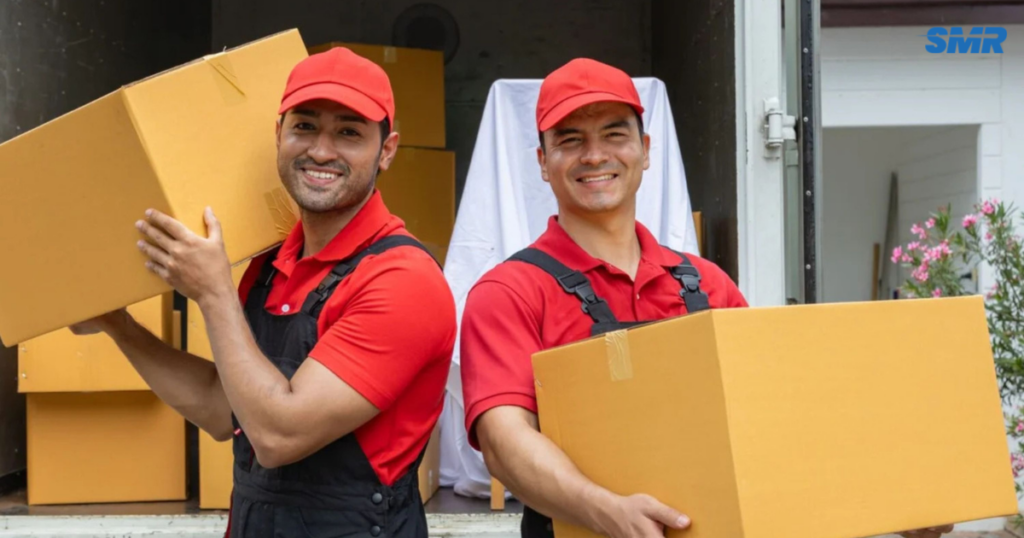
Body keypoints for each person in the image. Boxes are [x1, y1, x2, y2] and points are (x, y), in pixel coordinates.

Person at [458, 58, 955, 538]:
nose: (594, 156)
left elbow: (776, 418)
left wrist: (890, 500)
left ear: (646, 149)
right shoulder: (509, 292)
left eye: (614, 133)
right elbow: (505, 441)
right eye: (570, 141)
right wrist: (604, 510)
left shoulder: (707, 284)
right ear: (543, 163)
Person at [70, 47, 456, 538]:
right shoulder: (269, 267)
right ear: (278, 135)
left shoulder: (404, 281)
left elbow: (278, 434)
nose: (321, 150)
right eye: (305, 126)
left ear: (387, 150)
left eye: (349, 132)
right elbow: (221, 406)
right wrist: (117, 325)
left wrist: (213, 295)